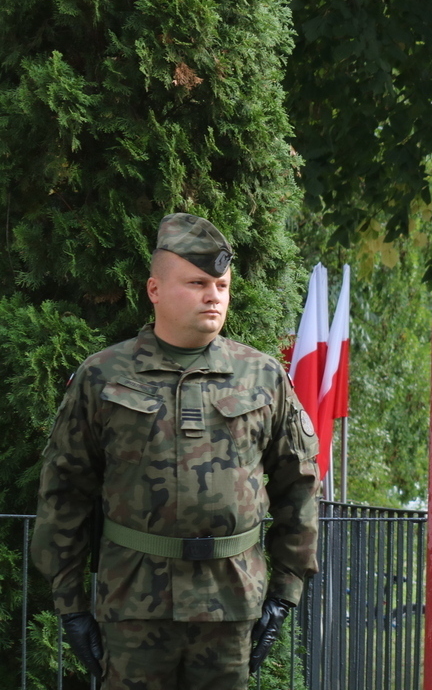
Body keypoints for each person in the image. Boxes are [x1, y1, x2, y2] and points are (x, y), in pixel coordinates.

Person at [32, 214, 320, 689]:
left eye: (222, 285)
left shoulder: (262, 376)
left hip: (231, 604)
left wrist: (285, 593)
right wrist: (71, 606)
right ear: (155, 290)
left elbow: (300, 487)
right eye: (197, 282)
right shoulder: (103, 376)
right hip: (133, 604)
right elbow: (63, 492)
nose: (214, 296)